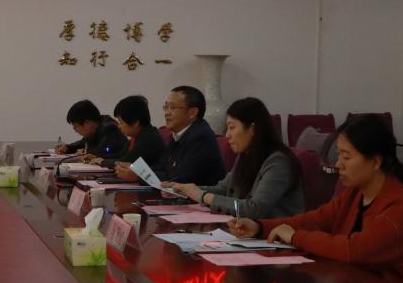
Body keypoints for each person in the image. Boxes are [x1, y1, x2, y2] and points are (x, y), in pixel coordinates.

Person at [229, 114, 403, 283]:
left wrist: (295, 237)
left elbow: (355, 250)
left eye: (346, 156)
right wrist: (260, 227)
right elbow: (315, 220)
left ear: (375, 162)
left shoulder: (402, 206)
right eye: (338, 155)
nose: (337, 164)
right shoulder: (356, 194)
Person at [164, 97, 304, 220]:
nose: (227, 135)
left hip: (274, 235)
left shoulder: (278, 162)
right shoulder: (246, 155)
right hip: (247, 231)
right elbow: (224, 189)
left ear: (252, 129)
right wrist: (184, 190)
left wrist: (202, 196)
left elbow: (254, 209)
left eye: (232, 127)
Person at [155, 85, 226, 185]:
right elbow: (162, 167)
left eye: (173, 107)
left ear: (192, 113)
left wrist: (150, 177)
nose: (167, 113)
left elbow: (180, 179)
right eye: (166, 107)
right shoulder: (177, 134)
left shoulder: (201, 137)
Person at [105, 95, 167, 178]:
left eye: (121, 122)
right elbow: (121, 155)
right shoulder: (137, 136)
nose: (119, 126)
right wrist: (100, 159)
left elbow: (125, 162)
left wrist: (102, 162)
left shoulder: (148, 139)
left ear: (135, 122)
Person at [53, 100, 126, 159]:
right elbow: (82, 142)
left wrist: (86, 153)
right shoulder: (95, 130)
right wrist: (67, 148)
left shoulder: (110, 129)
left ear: (87, 123)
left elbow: (103, 152)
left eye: (76, 127)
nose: (75, 131)